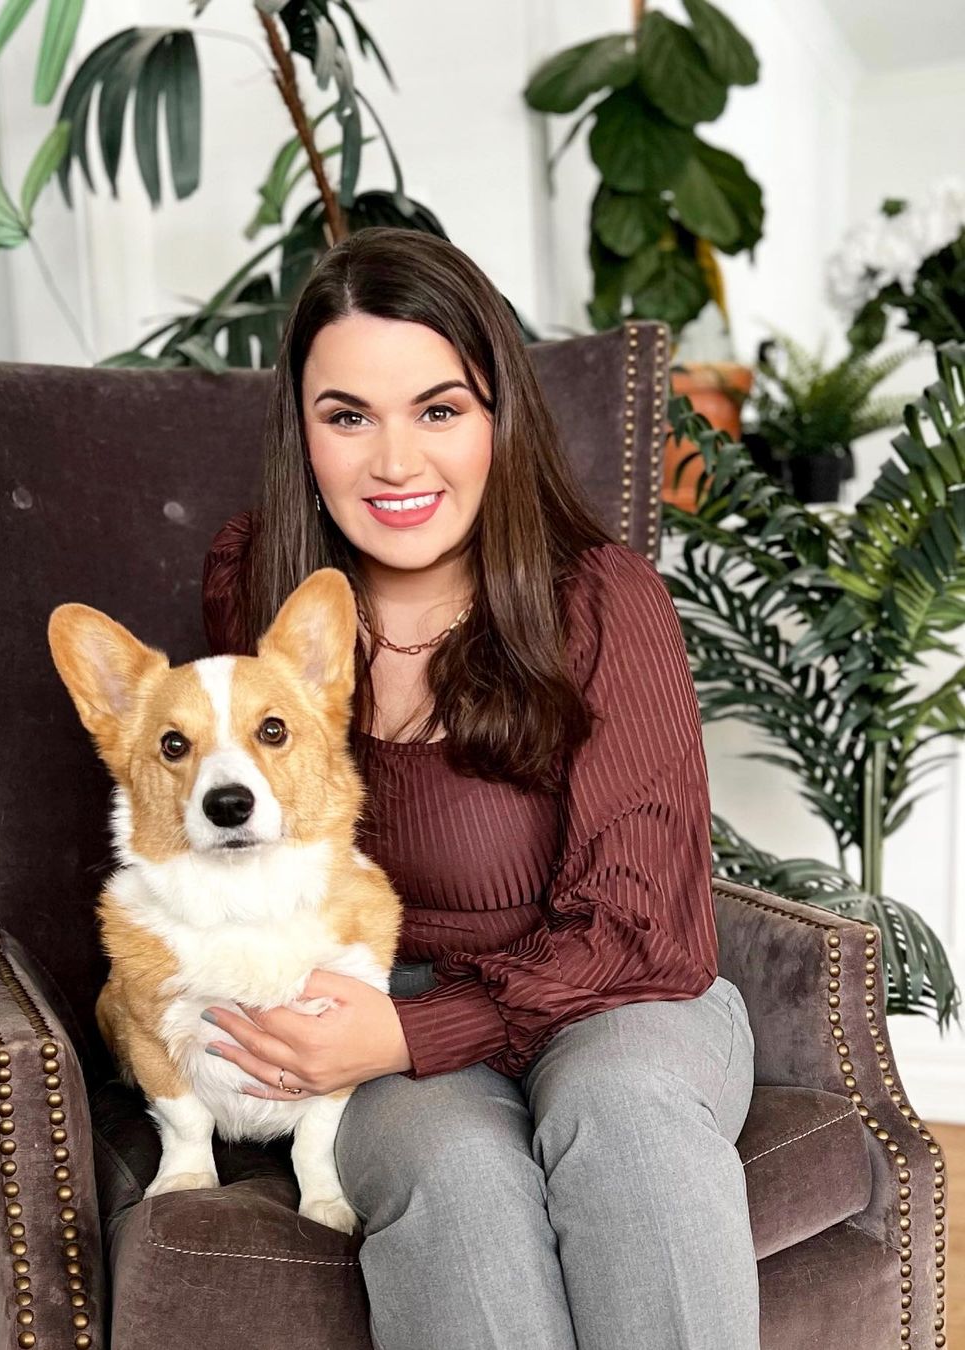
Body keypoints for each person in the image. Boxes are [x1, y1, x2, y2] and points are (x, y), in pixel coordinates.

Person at [199, 226, 759, 1350]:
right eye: (347, 414)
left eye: (440, 410)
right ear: (301, 431)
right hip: (375, 1001)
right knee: (453, 1181)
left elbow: (649, 930)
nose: (394, 462)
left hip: (621, 1000)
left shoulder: (603, 598)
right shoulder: (257, 582)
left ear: (499, 415)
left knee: (628, 1120)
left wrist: (416, 1032)